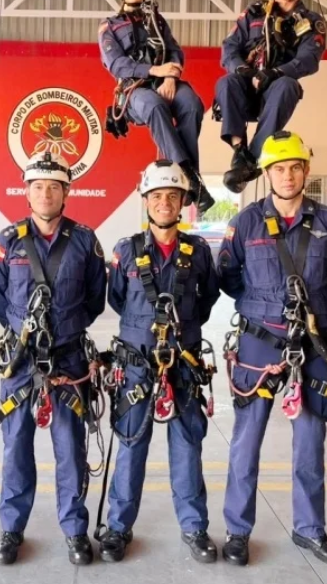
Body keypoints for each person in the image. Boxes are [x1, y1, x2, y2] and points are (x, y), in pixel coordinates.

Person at [217, 131, 327, 567]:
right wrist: (261, 309)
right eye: (279, 168)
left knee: (310, 441)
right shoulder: (246, 223)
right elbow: (229, 276)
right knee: (247, 441)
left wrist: (316, 307)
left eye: (295, 167)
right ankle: (238, 530)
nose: (288, 175)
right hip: (259, 343)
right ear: (267, 173)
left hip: (313, 345)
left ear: (306, 170)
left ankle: (309, 529)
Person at [98, 160, 220, 564]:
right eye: (156, 196)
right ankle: (118, 527)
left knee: (187, 445)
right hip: (136, 365)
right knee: (131, 444)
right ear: (145, 200)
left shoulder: (197, 251)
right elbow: (118, 299)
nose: (164, 202)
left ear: (183, 202)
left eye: (172, 195)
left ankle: (194, 527)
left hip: (183, 364)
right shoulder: (126, 250)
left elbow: (207, 300)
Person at [0, 151, 107, 565]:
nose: (45, 194)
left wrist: (66, 328)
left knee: (71, 449)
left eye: (53, 187)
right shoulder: (7, 241)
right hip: (20, 362)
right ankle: (11, 528)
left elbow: (95, 299)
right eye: (37, 187)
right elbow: (0, 300)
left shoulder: (85, 240)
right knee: (16, 447)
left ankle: (74, 530)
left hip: (69, 360)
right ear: (27, 192)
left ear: (66, 193)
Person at [98, 0, 215, 216]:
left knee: (192, 104)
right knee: (154, 105)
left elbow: (174, 51)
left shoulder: (157, 20)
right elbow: (116, 64)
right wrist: (154, 70)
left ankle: (188, 177)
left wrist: (170, 76)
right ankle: (191, 178)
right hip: (134, 91)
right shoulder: (109, 26)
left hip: (166, 81)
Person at [214, 0, 325, 194]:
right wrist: (242, 70)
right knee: (226, 82)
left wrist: (276, 73)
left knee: (288, 85)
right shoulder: (253, 13)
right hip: (246, 89)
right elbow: (229, 47)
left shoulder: (310, 21)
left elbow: (309, 58)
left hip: (275, 93)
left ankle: (251, 160)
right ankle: (239, 151)